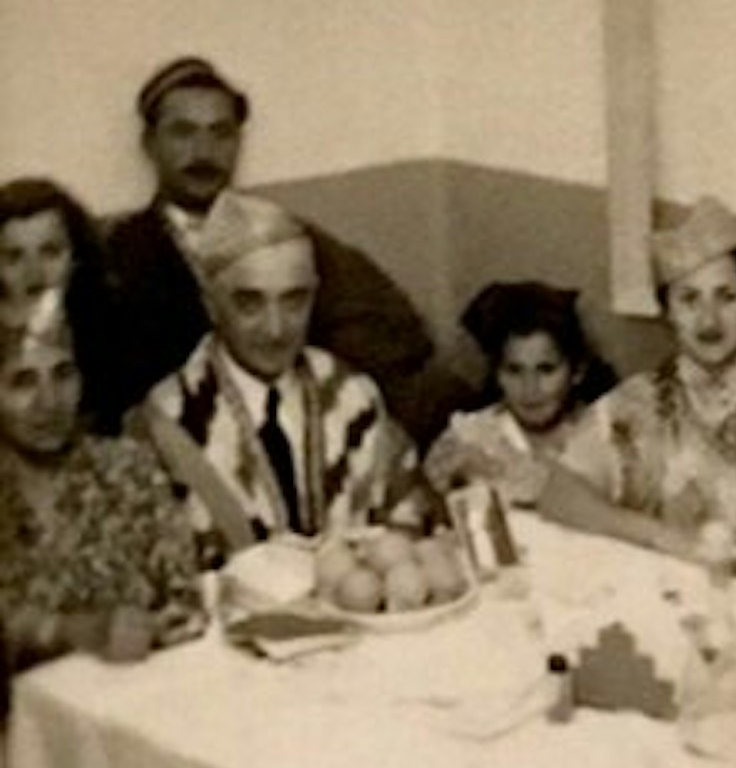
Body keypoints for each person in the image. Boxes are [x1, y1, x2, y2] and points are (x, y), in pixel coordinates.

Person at [104, 55, 469, 443]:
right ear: (150, 144)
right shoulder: (119, 257)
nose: (203, 151)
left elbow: (388, 323)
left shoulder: (280, 233)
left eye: (220, 133)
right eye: (183, 132)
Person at [540, 197, 736, 590]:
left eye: (728, 297)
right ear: (668, 312)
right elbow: (559, 497)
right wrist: (658, 536)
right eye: (689, 299)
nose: (709, 320)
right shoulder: (635, 404)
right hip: (662, 604)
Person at [139, 191, 425, 570]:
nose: (276, 330)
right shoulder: (166, 423)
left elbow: (408, 510)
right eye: (249, 303)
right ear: (211, 304)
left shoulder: (354, 396)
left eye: (294, 300)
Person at [0, 290, 205, 672]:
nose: (49, 402)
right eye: (22, 382)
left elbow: (185, 595)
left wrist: (162, 628)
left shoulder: (127, 469)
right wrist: (72, 631)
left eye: (63, 374)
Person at [424, 280, 615, 508]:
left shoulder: (606, 434)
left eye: (546, 370)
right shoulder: (471, 436)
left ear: (576, 372)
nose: (530, 388)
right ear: (497, 373)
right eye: (514, 371)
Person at [0, 178, 124, 433]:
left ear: (76, 258)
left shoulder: (107, 329)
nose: (34, 276)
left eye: (50, 253)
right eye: (14, 257)